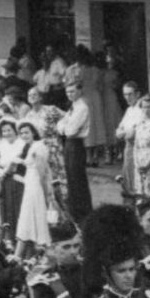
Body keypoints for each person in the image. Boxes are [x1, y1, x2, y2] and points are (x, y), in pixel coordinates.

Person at [14, 121, 52, 256]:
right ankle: (27, 252)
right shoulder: (29, 147)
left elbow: (42, 172)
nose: (24, 135)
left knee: (33, 215)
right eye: (21, 133)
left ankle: (23, 253)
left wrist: (45, 192)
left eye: (26, 132)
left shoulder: (38, 146)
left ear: (33, 132)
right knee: (27, 216)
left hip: (36, 187)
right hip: (29, 185)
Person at [56, 81, 92, 222]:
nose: (69, 94)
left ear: (80, 91)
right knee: (71, 178)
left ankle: (83, 213)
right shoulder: (73, 107)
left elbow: (70, 131)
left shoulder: (82, 107)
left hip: (76, 144)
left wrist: (63, 127)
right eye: (67, 92)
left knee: (77, 180)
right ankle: (77, 212)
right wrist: (63, 126)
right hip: (69, 145)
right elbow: (59, 126)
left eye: (72, 91)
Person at [115, 82, 144, 187]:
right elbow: (119, 129)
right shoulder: (129, 109)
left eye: (130, 94)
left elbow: (132, 133)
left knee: (136, 178)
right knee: (128, 177)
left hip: (139, 147)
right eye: (125, 94)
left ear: (137, 94)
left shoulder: (142, 109)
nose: (127, 97)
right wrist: (122, 132)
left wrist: (124, 133)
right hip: (129, 147)